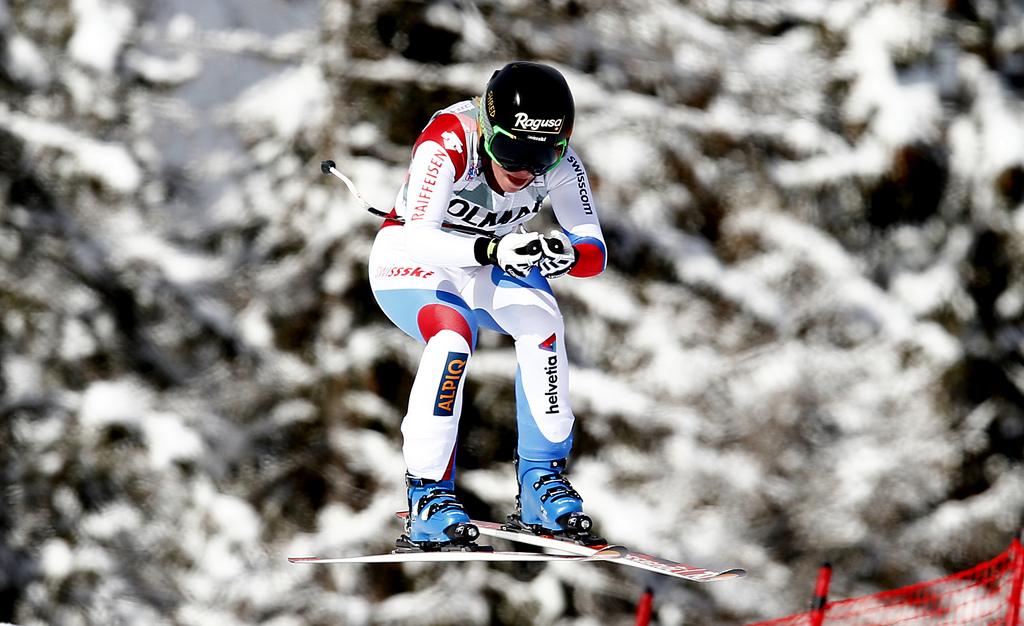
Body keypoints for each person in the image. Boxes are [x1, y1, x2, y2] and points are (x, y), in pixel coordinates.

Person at [367, 61, 607, 551]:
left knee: (542, 321)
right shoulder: (449, 143)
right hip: (414, 259)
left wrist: (567, 252)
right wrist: (493, 249)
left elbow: (593, 250)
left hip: (487, 257)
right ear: (487, 128)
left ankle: (542, 483)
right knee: (453, 338)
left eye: (540, 157)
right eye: (509, 150)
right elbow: (419, 239)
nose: (522, 171)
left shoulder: (560, 164)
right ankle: (427, 497)